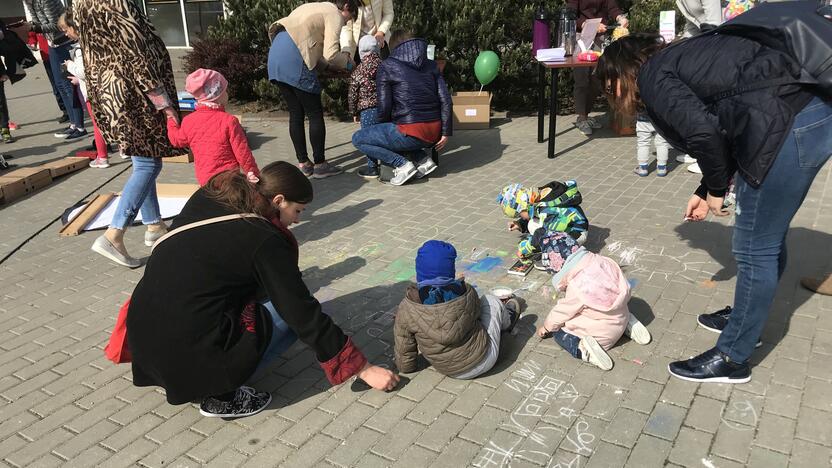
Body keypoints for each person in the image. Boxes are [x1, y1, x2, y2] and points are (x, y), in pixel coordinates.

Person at [596, 24, 831, 383]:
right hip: (802, 114)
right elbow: (721, 128)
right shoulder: (674, 62)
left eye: (607, 85)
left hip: (787, 122)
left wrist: (718, 190)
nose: (610, 95)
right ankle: (744, 317)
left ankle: (732, 356)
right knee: (767, 237)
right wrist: (706, 189)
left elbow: (704, 133)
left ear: (621, 72)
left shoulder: (654, 76)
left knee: (754, 247)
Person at [127, 163, 399, 417]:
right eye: (298, 211)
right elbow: (301, 311)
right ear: (278, 201)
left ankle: (177, 375)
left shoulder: (212, 197)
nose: (298, 219)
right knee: (287, 314)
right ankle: (222, 395)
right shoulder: (263, 238)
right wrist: (363, 368)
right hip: (187, 350)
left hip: (145, 339)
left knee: (263, 296)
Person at [74, 0, 182, 268]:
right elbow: (139, 57)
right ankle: (114, 234)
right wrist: (163, 102)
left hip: (110, 90)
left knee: (142, 158)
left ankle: (154, 224)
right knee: (148, 163)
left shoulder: (81, 3)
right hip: (133, 94)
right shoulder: (116, 2)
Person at [394, 240, 523, 379]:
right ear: (450, 270)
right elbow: (479, 316)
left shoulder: (407, 307)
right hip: (483, 359)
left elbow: (403, 345)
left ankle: (501, 341)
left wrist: (407, 368)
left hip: (447, 369)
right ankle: (507, 322)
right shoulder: (466, 291)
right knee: (491, 301)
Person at [267, 0, 358, 179]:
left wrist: (326, 67)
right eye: (350, 18)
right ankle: (320, 165)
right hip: (296, 57)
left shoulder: (311, 7)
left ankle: (304, 164)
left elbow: (313, 49)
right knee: (315, 113)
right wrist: (349, 64)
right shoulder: (334, 13)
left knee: (296, 114)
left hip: (276, 55)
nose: (346, 22)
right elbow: (331, 54)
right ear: (346, 6)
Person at [536, 233, 651, 370]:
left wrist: (547, 327)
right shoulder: (603, 262)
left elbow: (562, 312)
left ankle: (584, 350)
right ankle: (627, 323)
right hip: (621, 314)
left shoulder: (578, 285)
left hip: (602, 337)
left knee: (560, 334)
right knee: (605, 306)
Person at [351, 30, 452, 186]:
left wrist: (381, 127)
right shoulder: (432, 65)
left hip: (410, 130)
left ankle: (403, 165)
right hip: (435, 132)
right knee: (399, 134)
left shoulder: (387, 66)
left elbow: (384, 106)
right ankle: (424, 161)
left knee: (358, 139)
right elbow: (446, 100)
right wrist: (445, 133)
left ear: (394, 47)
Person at [167, 68, 260, 186]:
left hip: (205, 180)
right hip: (230, 180)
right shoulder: (229, 121)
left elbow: (176, 140)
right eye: (225, 91)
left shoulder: (189, 121)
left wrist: (171, 120)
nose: (227, 94)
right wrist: (253, 172)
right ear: (216, 94)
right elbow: (242, 152)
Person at [13, 0, 87, 141]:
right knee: (59, 85)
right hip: (52, 43)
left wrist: (34, 27)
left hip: (63, 42)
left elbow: (57, 25)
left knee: (67, 85)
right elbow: (37, 23)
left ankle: (79, 126)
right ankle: (73, 124)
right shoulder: (30, 3)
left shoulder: (46, 1)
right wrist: (31, 26)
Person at [567, 0, 629, 135]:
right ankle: (581, 118)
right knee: (582, 78)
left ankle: (586, 115)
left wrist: (621, 18)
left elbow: (612, 8)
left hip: (599, 38)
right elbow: (571, 14)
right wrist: (586, 25)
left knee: (596, 78)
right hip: (581, 38)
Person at [57, 12, 110, 169]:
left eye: (66, 29)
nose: (65, 33)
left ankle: (102, 157)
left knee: (98, 124)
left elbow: (83, 71)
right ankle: (124, 150)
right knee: (110, 121)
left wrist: (69, 66)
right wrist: (78, 79)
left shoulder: (81, 48)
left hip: (92, 94)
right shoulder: (97, 42)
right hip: (105, 89)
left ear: (75, 27)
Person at [348, 35, 383, 178]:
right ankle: (389, 163)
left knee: (368, 138)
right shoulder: (385, 66)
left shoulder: (358, 71)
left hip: (367, 111)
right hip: (385, 107)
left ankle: (372, 167)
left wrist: (353, 111)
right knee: (384, 135)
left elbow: (352, 94)